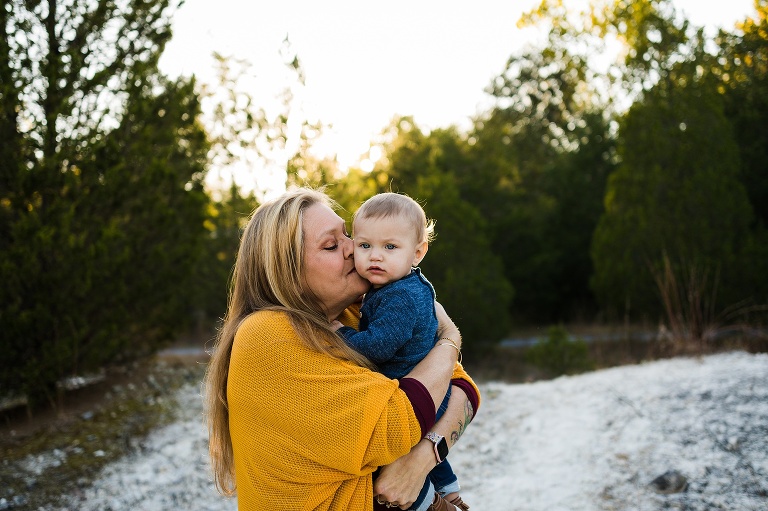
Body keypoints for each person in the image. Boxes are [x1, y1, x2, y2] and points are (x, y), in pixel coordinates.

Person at [204, 188, 481, 511]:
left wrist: (424, 456)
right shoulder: (266, 335)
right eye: (332, 245)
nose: (354, 249)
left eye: (347, 235)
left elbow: (463, 389)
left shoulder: (354, 314)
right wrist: (449, 338)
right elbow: (397, 423)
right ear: (287, 273)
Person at [334, 193, 468, 511]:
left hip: (419, 391)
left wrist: (341, 335)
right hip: (429, 385)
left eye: (390, 247)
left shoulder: (401, 298)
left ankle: (426, 502)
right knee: (421, 453)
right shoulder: (393, 286)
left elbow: (378, 347)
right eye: (365, 246)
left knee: (397, 459)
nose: (375, 257)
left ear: (417, 252)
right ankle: (449, 491)